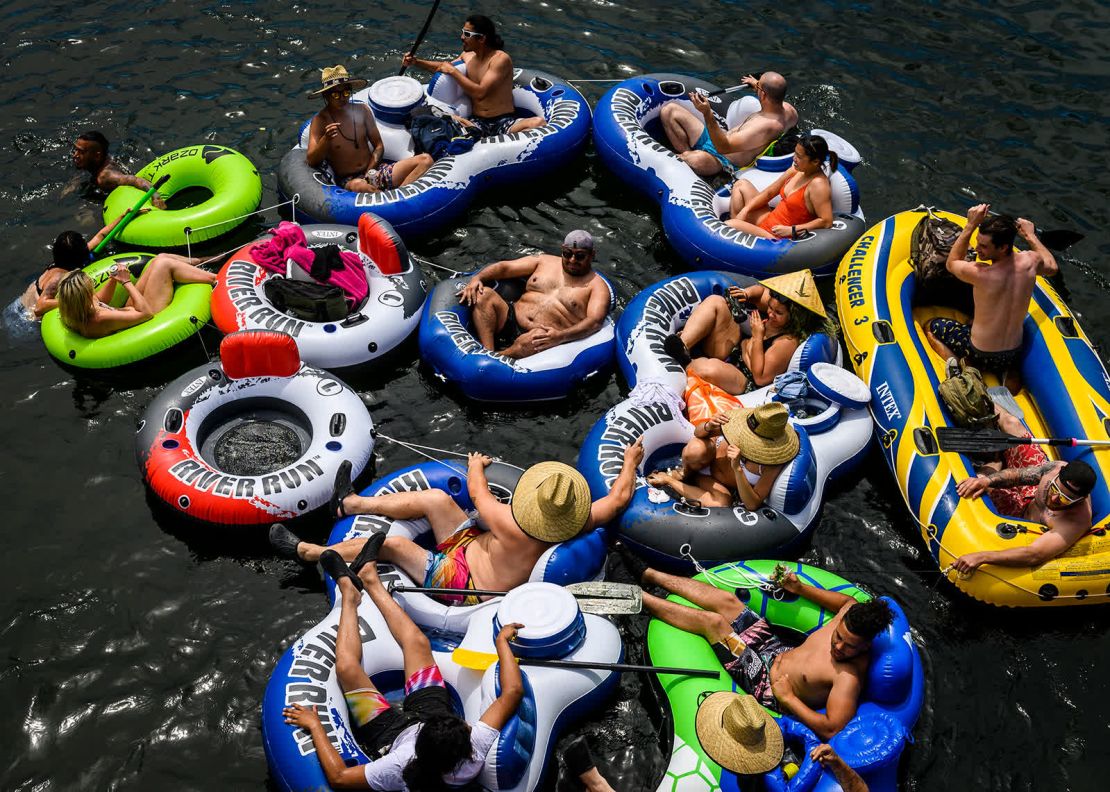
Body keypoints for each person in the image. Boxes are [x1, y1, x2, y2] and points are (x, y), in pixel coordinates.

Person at [271, 440, 643, 606]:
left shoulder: (511, 521)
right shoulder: (579, 522)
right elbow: (619, 498)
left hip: (463, 584)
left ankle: (311, 552)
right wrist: (630, 461)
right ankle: (351, 503)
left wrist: (476, 466)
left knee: (396, 544)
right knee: (435, 499)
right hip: (463, 549)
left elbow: (478, 494)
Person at [282, 541, 524, 790]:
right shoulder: (474, 748)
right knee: (418, 643)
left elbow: (340, 777)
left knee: (346, 669)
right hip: (432, 713)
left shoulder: (398, 767)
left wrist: (315, 725)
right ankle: (370, 579)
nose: (468, 726)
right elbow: (513, 692)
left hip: (390, 733)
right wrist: (501, 642)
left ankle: (349, 595)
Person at [618, 547, 893, 740]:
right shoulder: (850, 612)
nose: (839, 647)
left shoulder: (849, 678)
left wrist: (788, 699)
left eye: (849, 646)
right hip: (774, 649)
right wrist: (799, 589)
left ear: (866, 646)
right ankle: (651, 575)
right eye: (838, 637)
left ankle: (643, 599)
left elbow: (832, 728)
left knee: (715, 623)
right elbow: (847, 601)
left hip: (766, 684)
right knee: (729, 603)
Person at [924, 205, 1057, 393]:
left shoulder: (981, 273)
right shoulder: (1030, 262)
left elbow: (951, 263)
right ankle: (1009, 372)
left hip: (980, 354)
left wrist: (970, 225)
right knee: (976, 321)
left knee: (932, 326)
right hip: (1013, 352)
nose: (977, 249)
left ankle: (961, 366)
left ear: (1003, 247)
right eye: (977, 242)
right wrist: (1030, 235)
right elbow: (1052, 266)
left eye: (984, 246)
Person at [663, 269, 834, 395]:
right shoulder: (777, 304)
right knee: (716, 302)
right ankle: (683, 345)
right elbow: (761, 292)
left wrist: (757, 337)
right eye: (771, 308)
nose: (770, 313)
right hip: (736, 351)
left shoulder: (787, 342)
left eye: (778, 313)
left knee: (711, 370)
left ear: (796, 318)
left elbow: (760, 377)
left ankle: (685, 363)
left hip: (744, 379)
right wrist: (746, 293)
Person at [457, 230, 611, 359]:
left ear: (592, 255)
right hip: (511, 318)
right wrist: (477, 278)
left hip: (543, 336)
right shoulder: (544, 261)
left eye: (580, 256)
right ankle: (487, 352)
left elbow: (594, 322)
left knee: (537, 337)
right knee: (484, 295)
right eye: (567, 253)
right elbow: (505, 268)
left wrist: (560, 336)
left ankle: (498, 358)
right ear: (562, 249)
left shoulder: (597, 286)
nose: (572, 260)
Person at [403, 15, 545, 138]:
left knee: (538, 123)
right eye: (462, 32)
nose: (462, 37)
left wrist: (453, 72)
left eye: (467, 34)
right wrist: (416, 62)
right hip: (476, 122)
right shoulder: (468, 56)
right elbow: (443, 67)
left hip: (502, 121)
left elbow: (480, 93)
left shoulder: (500, 59)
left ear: (482, 38)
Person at [954, 456, 1095, 575]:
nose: (1054, 499)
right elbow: (1019, 476)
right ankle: (994, 459)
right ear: (1057, 476)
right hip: (1026, 501)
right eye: (1054, 489)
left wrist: (982, 557)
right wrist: (987, 481)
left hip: (1022, 528)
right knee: (981, 480)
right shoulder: (1055, 469)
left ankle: (994, 463)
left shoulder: (1077, 521)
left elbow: (1035, 554)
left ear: (1079, 500)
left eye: (1064, 498)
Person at [305, 65, 434, 193]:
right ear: (326, 96)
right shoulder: (320, 121)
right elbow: (311, 160)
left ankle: (397, 196)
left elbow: (378, 146)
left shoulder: (362, 110)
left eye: (345, 92)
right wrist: (326, 139)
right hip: (349, 180)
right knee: (359, 185)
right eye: (336, 95)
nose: (343, 98)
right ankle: (390, 200)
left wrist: (370, 172)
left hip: (373, 170)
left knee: (425, 160)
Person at [646, 403, 799, 509]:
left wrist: (737, 469)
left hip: (713, 482)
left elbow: (753, 504)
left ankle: (670, 480)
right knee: (696, 449)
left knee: (722, 503)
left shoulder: (772, 462)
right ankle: (685, 472)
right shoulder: (739, 425)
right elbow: (697, 433)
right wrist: (708, 426)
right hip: (703, 460)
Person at [659, 72, 798, 178]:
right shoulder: (790, 112)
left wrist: (707, 113)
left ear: (763, 95)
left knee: (687, 159)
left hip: (723, 159)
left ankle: (689, 158)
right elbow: (771, 93)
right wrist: (755, 83)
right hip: (719, 137)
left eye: (759, 87)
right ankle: (687, 150)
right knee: (669, 111)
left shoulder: (764, 127)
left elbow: (723, 147)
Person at [55, 253, 216, 338]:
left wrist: (113, 279)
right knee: (163, 265)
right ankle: (216, 279)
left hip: (130, 311)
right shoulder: (99, 319)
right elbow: (146, 314)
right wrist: (125, 282)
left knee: (158, 259)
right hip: (145, 318)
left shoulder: (76, 309)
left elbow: (99, 299)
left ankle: (196, 261)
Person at [725, 134, 838, 239]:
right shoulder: (795, 171)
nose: (794, 159)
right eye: (795, 153)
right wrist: (745, 210)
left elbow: (826, 221)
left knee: (729, 225)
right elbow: (769, 193)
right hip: (767, 221)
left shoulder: (818, 185)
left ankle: (735, 235)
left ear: (815, 162)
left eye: (799, 156)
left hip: (778, 238)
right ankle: (737, 236)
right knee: (741, 185)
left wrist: (792, 230)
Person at [20, 214, 131, 319]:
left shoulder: (66, 258)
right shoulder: (58, 276)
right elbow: (40, 307)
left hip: (24, 304)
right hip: (27, 316)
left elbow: (100, 236)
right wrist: (77, 301)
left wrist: (123, 217)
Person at [70, 131, 167, 209]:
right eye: (76, 149)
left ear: (97, 155)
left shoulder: (105, 176)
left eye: (81, 152)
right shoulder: (102, 160)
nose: (75, 155)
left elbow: (136, 180)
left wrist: (156, 197)